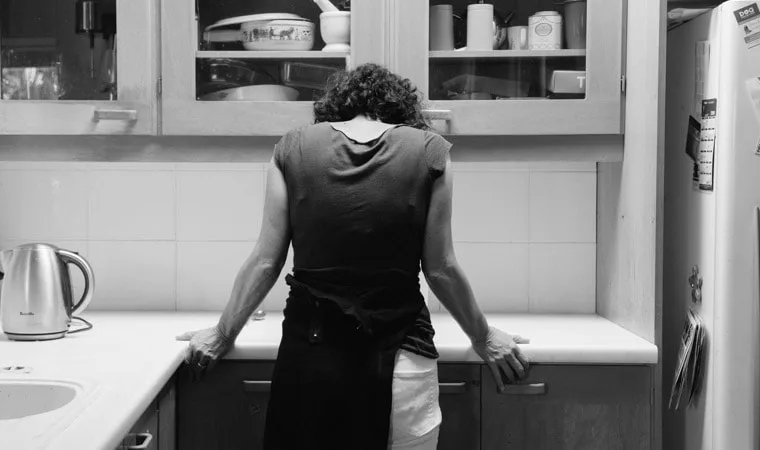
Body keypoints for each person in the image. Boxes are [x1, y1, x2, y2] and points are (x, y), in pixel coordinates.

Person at [177, 63, 530, 450]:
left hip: (310, 363)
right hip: (401, 363)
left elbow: (266, 261)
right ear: (404, 110)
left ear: (336, 106)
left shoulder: (292, 148)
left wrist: (223, 333)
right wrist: (483, 337)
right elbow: (440, 269)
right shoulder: (430, 151)